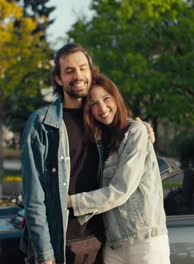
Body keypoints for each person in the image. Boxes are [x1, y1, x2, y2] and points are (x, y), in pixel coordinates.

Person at [20, 44, 155, 264]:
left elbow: (128, 135)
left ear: (92, 72)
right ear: (58, 79)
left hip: (101, 244)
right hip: (60, 244)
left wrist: (142, 126)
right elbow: (34, 197)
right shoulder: (42, 124)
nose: (78, 76)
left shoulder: (101, 121)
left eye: (83, 68)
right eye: (69, 71)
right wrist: (45, 256)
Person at [67, 74, 170, 264]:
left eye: (106, 99)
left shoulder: (136, 133)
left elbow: (120, 190)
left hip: (144, 241)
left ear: (116, 97)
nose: (102, 108)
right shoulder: (100, 142)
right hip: (113, 244)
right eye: (93, 104)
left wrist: (69, 202)